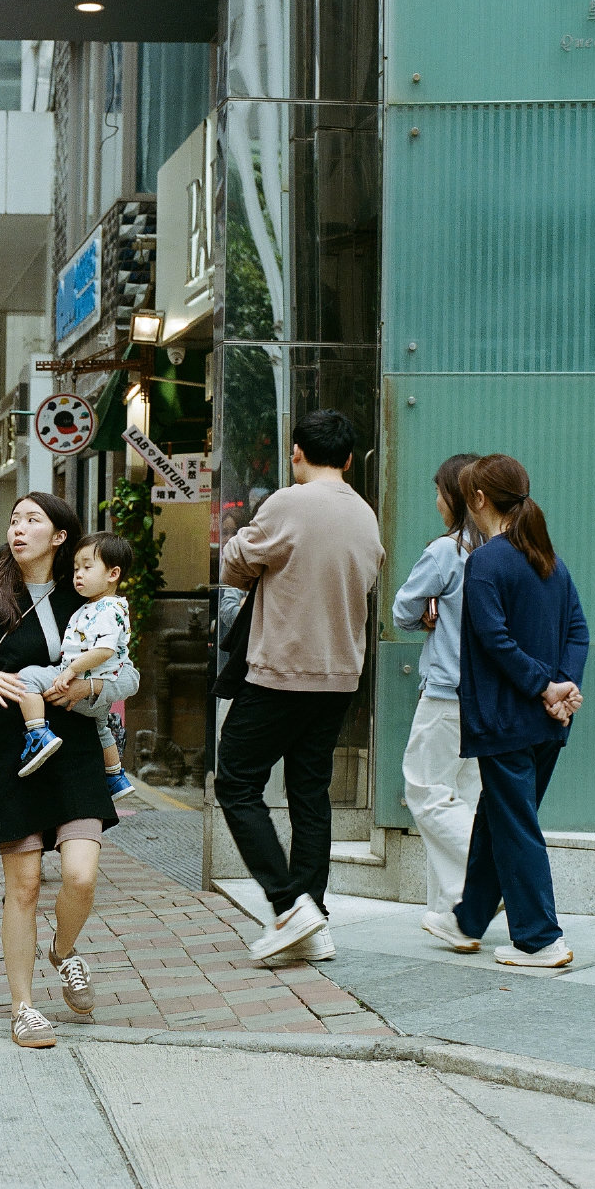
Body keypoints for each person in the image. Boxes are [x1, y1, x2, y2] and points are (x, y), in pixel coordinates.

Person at [0, 492, 117, 1048]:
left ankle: (62, 950)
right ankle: (23, 1007)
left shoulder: (85, 596)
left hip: (75, 748)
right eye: (14, 519)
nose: (18, 528)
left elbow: (125, 674)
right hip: (11, 752)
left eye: (32, 520)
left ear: (60, 536)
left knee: (81, 875)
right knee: (25, 885)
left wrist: (87, 690)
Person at [214, 409, 385, 964]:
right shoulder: (365, 514)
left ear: (296, 454)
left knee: (236, 781)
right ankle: (315, 920)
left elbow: (235, 564)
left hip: (282, 670)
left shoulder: (287, 502)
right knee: (310, 793)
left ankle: (289, 906)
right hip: (340, 675)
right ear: (350, 459)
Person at [424, 456, 587, 968]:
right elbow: (578, 631)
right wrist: (562, 686)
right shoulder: (551, 562)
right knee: (500, 817)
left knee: (515, 826)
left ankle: (540, 939)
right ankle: (468, 919)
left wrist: (546, 687)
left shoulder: (486, 562)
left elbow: (494, 639)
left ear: (477, 499)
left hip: (505, 719)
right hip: (547, 722)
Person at [394, 454, 483, 928]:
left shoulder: (447, 552)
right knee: (462, 801)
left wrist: (425, 615)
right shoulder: (503, 551)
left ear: (457, 497)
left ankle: (487, 873)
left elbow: (402, 610)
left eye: (439, 492)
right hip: (487, 700)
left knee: (426, 792)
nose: (436, 502)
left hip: (446, 693)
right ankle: (453, 916)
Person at [11, 531, 135, 797]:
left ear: (113, 574)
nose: (78, 574)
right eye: (76, 568)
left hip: (83, 682)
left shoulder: (108, 609)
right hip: (97, 695)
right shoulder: (94, 605)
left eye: (87, 568)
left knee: (26, 678)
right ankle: (115, 776)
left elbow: (104, 650)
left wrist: (72, 670)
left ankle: (37, 734)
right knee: (102, 729)